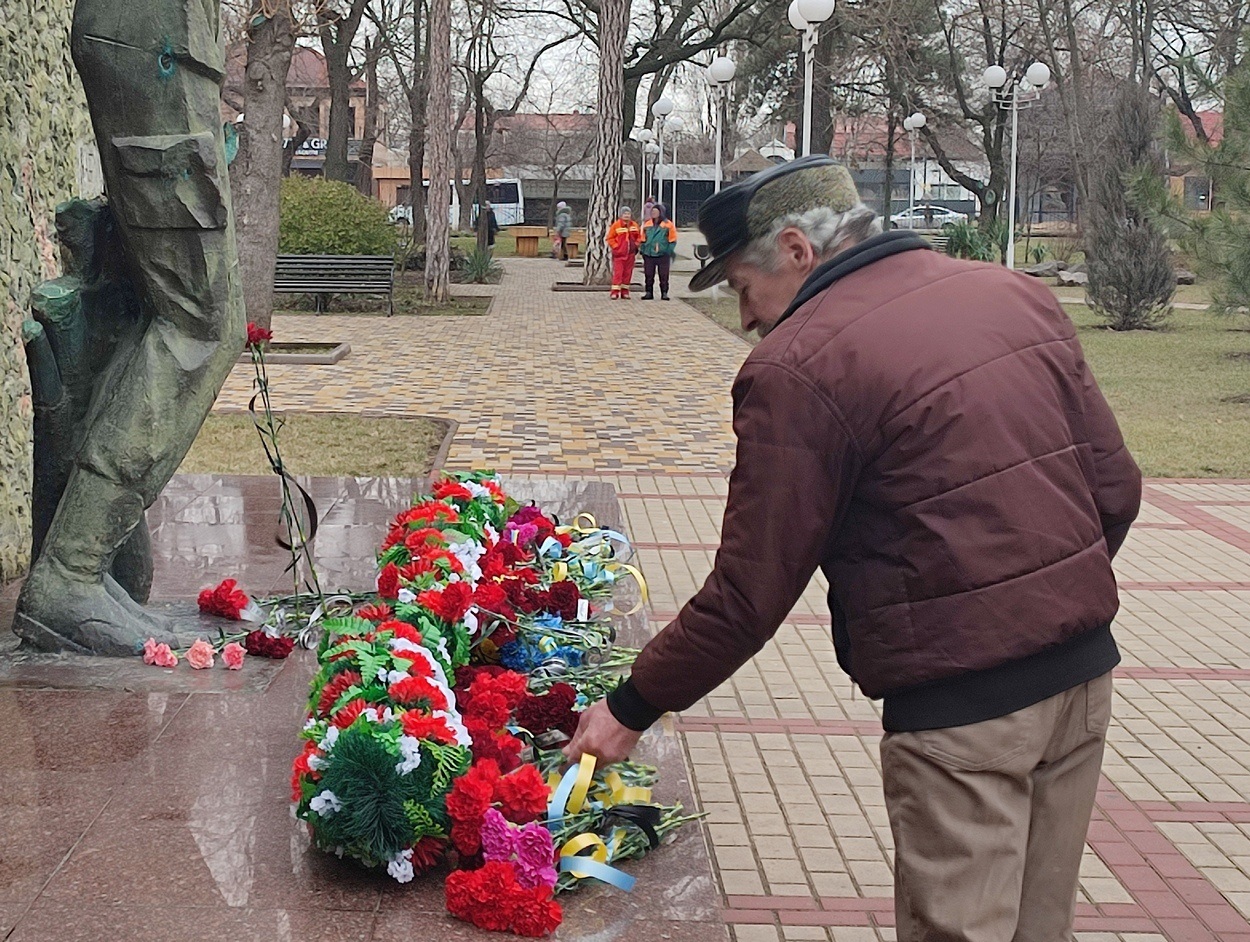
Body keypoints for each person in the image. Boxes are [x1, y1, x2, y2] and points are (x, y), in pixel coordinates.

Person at [565, 155, 1141, 940]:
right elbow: (1116, 489)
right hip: (1081, 683)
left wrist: (630, 706)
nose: (747, 319)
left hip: (961, 717)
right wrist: (1038, 604)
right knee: (1042, 928)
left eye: (742, 287)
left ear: (798, 250)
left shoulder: (800, 366)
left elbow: (747, 595)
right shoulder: (1013, 293)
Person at [640, 203, 677, 300]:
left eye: (656, 212)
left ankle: (664, 293)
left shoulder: (668, 224)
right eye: (652, 212)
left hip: (663, 255)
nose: (653, 213)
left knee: (663, 275)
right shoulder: (647, 224)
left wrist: (668, 251)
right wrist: (643, 250)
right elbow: (643, 239)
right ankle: (649, 292)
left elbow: (672, 240)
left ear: (661, 213)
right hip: (649, 254)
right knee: (648, 274)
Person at [606, 207, 641, 300]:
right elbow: (610, 238)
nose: (627, 215)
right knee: (618, 273)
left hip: (630, 254)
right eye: (625, 214)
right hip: (619, 254)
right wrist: (616, 247)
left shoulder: (634, 225)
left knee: (628, 273)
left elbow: (639, 237)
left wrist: (637, 244)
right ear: (621, 215)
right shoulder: (616, 225)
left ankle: (625, 292)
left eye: (628, 214)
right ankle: (615, 292)